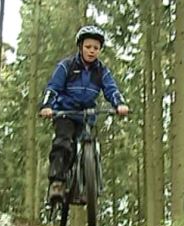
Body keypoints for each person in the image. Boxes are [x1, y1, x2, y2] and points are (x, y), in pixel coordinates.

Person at [39, 25, 129, 201]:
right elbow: (53, 88)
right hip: (65, 112)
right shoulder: (67, 66)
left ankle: (85, 188)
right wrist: (46, 106)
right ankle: (57, 183)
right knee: (63, 143)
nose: (92, 51)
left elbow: (112, 90)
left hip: (86, 115)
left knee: (89, 149)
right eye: (88, 47)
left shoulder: (101, 71)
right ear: (80, 47)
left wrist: (120, 104)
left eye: (96, 48)